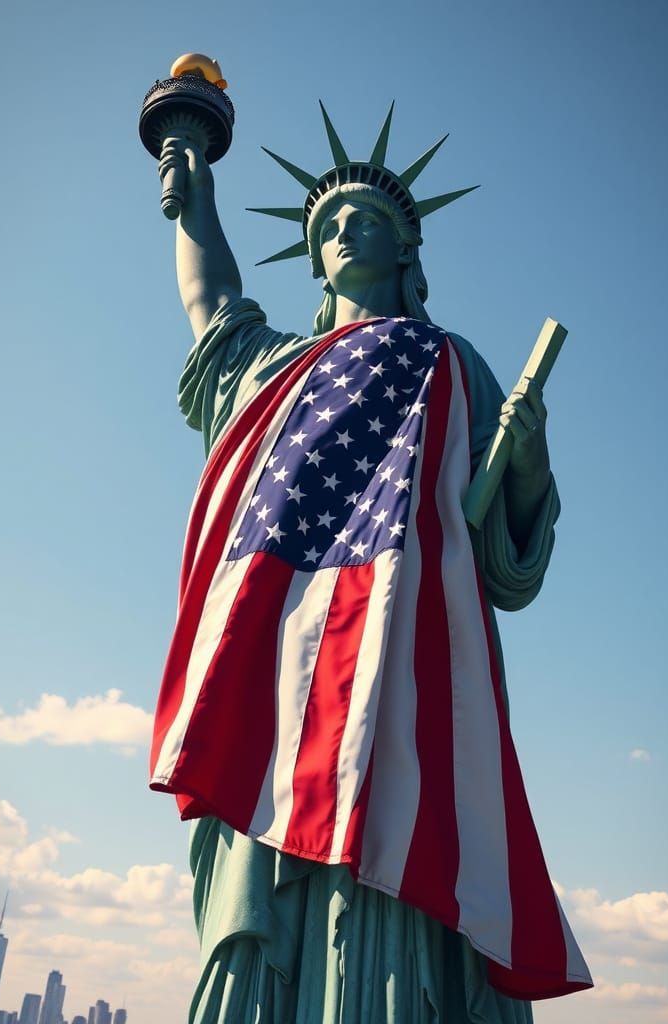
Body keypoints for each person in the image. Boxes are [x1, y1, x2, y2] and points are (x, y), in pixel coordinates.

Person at [150, 116, 591, 1024]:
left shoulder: (453, 364)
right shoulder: (271, 368)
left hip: (403, 679)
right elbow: (212, 301)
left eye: (364, 217)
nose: (343, 231)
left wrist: (532, 465)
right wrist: (191, 193)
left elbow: (507, 573)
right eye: (326, 226)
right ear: (314, 262)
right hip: (272, 675)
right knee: (256, 901)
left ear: (408, 244)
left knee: (396, 866)